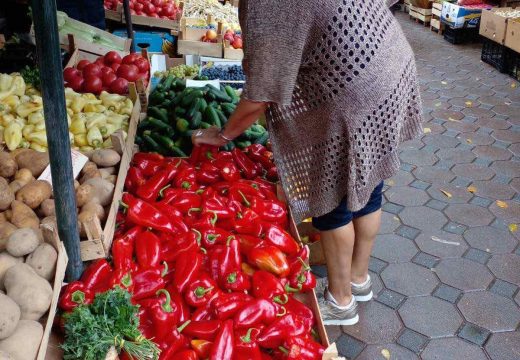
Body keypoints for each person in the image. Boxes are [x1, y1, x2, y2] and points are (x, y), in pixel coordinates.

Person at [192, 0, 422, 325]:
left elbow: (262, 90)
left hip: (353, 89)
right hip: (388, 64)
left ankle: (341, 302)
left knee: (330, 200)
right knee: (369, 183)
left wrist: (224, 135)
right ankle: (359, 280)